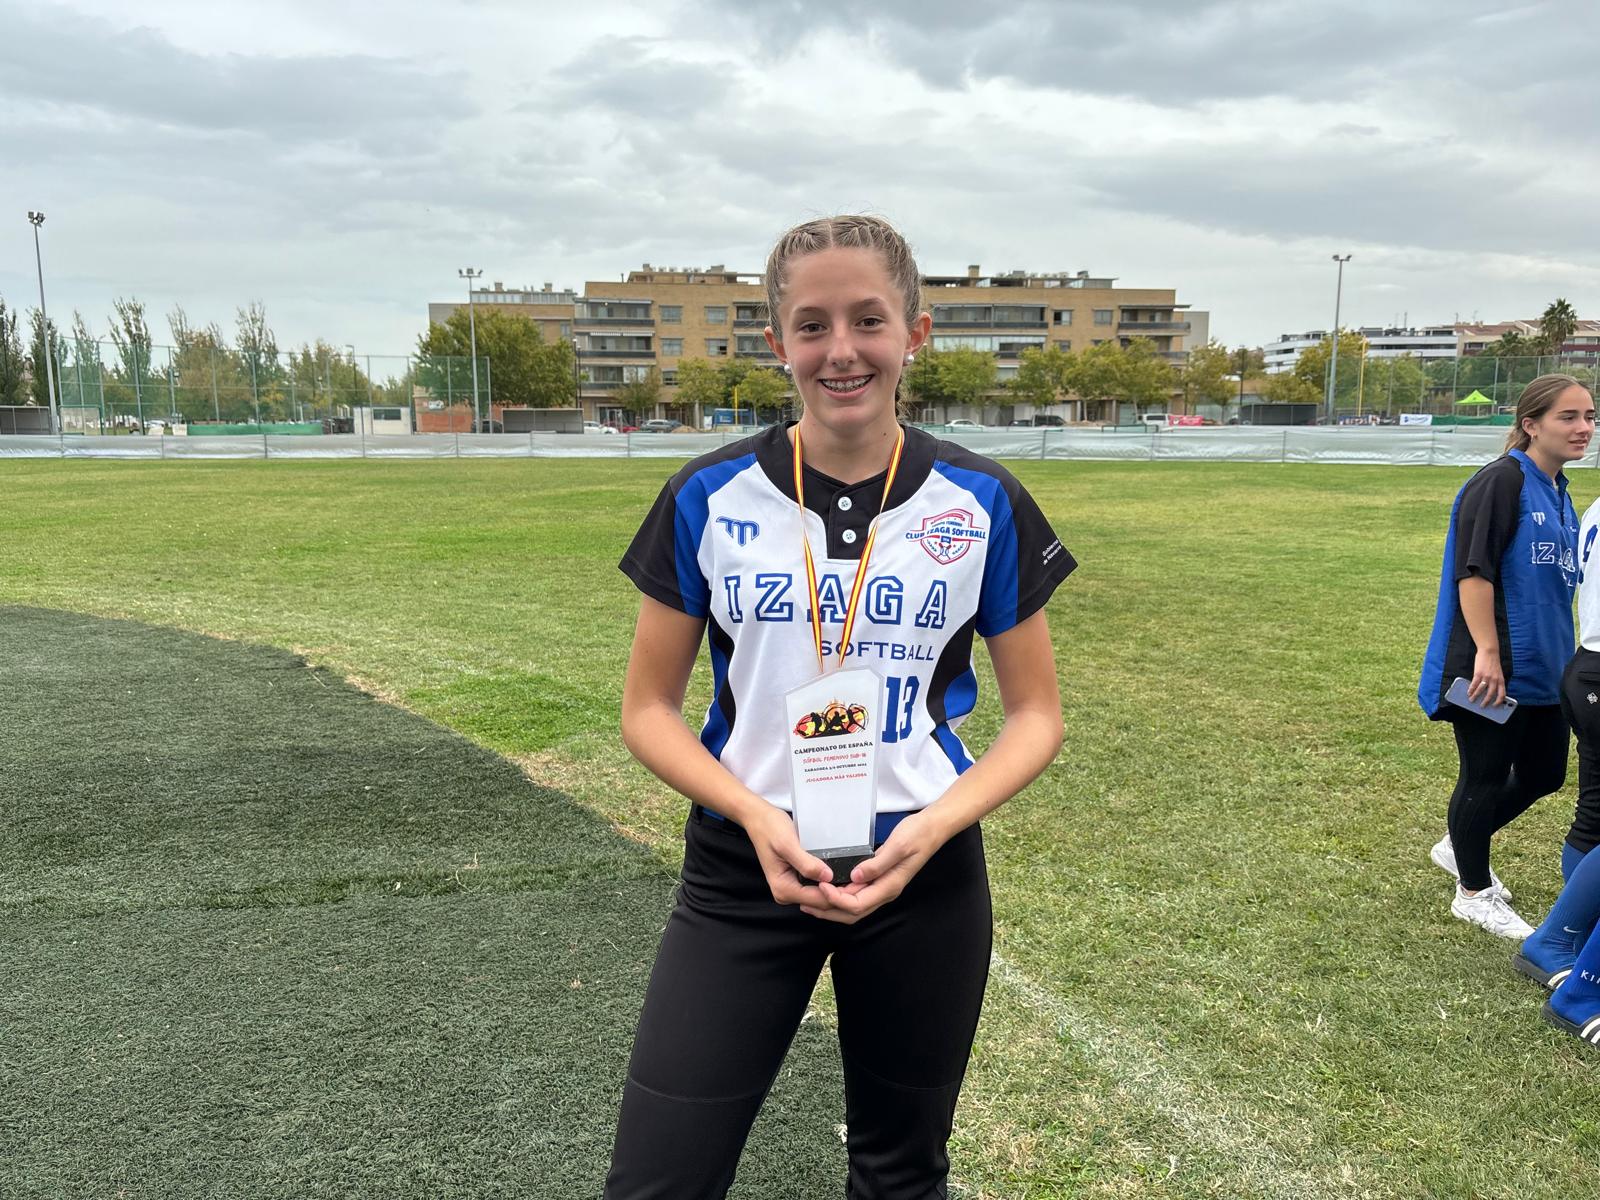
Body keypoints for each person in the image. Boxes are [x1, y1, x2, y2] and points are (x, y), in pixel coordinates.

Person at [604, 215, 1074, 1199]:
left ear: (916, 332)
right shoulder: (707, 493)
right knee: (658, 1182)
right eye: (811, 325)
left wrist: (935, 827)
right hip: (744, 874)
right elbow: (647, 709)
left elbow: (1036, 716)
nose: (842, 349)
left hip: (922, 875)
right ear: (775, 344)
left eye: (869, 319)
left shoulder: (981, 500)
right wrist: (754, 816)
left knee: (900, 1177)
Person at [1418, 374, 1595, 938]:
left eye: (1589, 416)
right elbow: (1475, 572)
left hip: (1544, 668)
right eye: (1568, 416)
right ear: (1530, 424)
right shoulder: (1501, 481)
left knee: (1544, 775)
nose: (1583, 428)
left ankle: (1460, 842)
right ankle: (1472, 892)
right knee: (1485, 775)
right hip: (1489, 667)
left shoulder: (1559, 491)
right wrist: (1487, 656)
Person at [1515, 473, 1600, 998]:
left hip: (1588, 666)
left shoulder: (1593, 507)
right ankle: (1557, 940)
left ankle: (1575, 934)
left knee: (1593, 817)